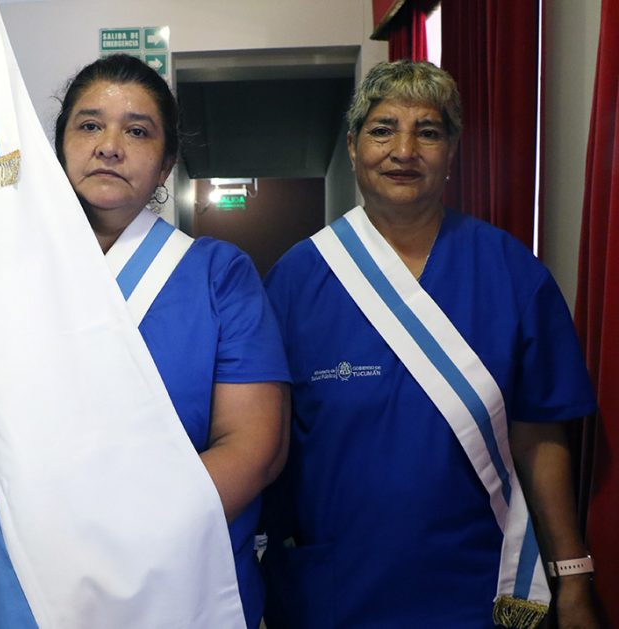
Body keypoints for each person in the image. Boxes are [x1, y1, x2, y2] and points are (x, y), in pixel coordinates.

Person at [262, 60, 598, 628]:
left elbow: (540, 437)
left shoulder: (512, 273)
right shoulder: (295, 280)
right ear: (353, 146)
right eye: (382, 129)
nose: (404, 150)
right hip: (336, 588)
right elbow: (263, 440)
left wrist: (574, 578)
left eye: (428, 132)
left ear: (452, 151)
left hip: (477, 588)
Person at [54, 54, 292, 628]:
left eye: (137, 131)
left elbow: (254, 447)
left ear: (165, 167)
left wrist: (121, 545)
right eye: (90, 125)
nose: (109, 146)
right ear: (59, 147)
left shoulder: (218, 275)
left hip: (185, 580)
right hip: (45, 578)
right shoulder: (14, 272)